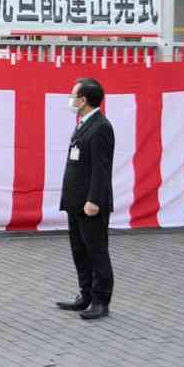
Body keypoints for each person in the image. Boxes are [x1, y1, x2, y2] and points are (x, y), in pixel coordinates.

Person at [57, 78, 115, 321]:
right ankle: (86, 295)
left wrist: (94, 200)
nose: (70, 99)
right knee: (79, 250)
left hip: (90, 203)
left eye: (73, 95)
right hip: (75, 201)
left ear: (83, 100)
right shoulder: (83, 123)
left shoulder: (101, 126)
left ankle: (101, 300)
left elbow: (101, 169)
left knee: (96, 251)